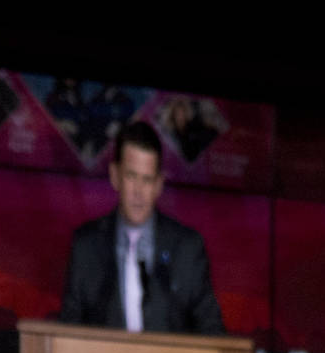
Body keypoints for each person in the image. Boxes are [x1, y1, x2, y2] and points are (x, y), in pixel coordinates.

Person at [61, 121, 224, 335]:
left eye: (147, 180)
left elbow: (212, 330)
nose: (138, 191)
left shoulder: (187, 248)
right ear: (114, 175)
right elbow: (67, 332)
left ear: (159, 184)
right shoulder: (86, 246)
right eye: (131, 176)